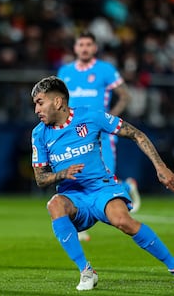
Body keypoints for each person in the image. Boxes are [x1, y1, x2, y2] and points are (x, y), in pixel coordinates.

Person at [31, 76, 174, 291]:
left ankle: (172, 265)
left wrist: (160, 167)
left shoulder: (90, 116)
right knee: (54, 204)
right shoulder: (39, 134)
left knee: (123, 221)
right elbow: (41, 178)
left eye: (40, 102)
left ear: (58, 102)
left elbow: (136, 134)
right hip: (73, 197)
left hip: (102, 189)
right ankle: (86, 271)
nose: (36, 110)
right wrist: (62, 174)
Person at [57, 31, 141, 242]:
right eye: (81, 44)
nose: (84, 48)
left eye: (88, 44)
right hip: (73, 135)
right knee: (75, 176)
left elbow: (125, 95)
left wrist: (109, 119)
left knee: (103, 178)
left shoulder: (105, 70)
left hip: (100, 134)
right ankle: (80, 222)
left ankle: (125, 188)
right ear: (75, 48)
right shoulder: (65, 72)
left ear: (94, 48)